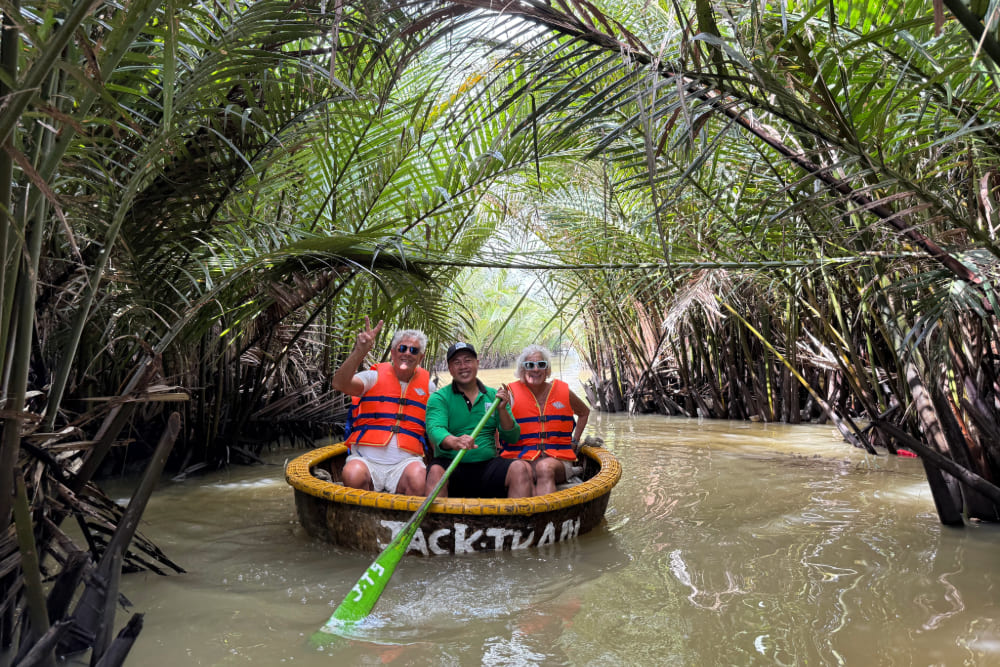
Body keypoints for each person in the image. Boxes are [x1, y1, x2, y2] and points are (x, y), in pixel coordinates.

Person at [330, 317, 433, 495]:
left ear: (420, 357)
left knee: (419, 478)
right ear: (393, 353)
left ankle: (405, 519)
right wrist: (359, 352)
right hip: (367, 461)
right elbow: (339, 384)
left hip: (405, 464)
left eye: (414, 350)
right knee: (352, 474)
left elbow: (434, 427)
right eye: (402, 348)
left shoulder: (429, 387)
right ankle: (363, 518)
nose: (407, 353)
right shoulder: (372, 377)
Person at [424, 342, 534, 498]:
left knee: (519, 468)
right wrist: (454, 441)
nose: (463, 366)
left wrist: (502, 410)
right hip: (451, 464)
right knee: (435, 471)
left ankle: (516, 521)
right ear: (450, 368)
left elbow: (512, 436)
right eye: (457, 362)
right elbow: (435, 430)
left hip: (487, 465)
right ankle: (434, 522)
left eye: (468, 360)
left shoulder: (494, 396)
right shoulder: (439, 397)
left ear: (477, 363)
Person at [503, 345, 590, 495]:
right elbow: (496, 428)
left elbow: (584, 412)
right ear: (522, 370)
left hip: (556, 461)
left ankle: (545, 516)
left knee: (544, 468)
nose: (535, 369)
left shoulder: (563, 392)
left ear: (547, 369)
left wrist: (575, 441)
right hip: (522, 457)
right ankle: (522, 515)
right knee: (521, 470)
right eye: (529, 365)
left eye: (541, 365)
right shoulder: (509, 394)